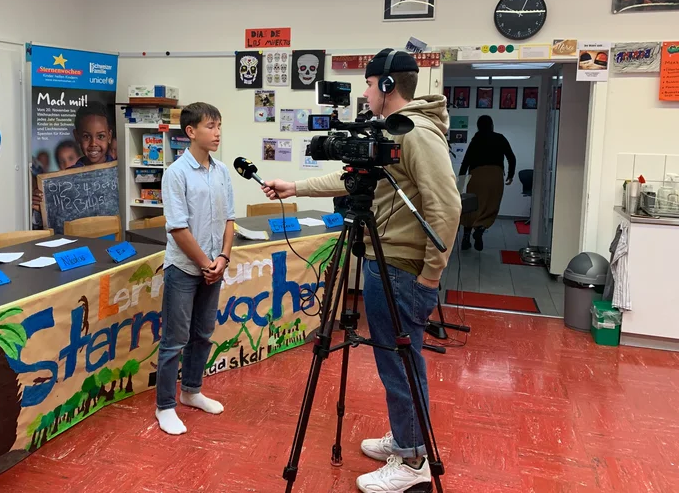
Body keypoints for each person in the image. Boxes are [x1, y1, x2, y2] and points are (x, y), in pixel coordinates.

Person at [261, 49, 461, 492]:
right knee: (396, 359)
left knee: (400, 362)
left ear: (387, 86)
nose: (365, 92)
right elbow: (356, 180)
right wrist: (296, 186)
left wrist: (431, 275)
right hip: (387, 264)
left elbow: (446, 208)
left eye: (369, 84)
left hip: (403, 270)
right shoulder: (393, 132)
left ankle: (412, 463)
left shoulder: (416, 134)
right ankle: (408, 438)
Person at [155, 102, 235, 436]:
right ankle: (165, 406)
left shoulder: (221, 171)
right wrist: (206, 264)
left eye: (219, 126)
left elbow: (230, 218)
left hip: (213, 268)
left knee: (202, 335)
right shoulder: (176, 173)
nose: (217, 133)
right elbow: (178, 228)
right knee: (174, 341)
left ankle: (191, 390)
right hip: (185, 269)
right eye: (211, 126)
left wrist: (223, 259)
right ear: (191, 131)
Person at [459, 115, 516, 251]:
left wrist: (460, 182)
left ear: (479, 126)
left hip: (477, 176)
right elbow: (511, 158)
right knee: (490, 206)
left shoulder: (476, 140)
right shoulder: (500, 138)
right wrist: (510, 175)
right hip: (495, 176)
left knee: (471, 206)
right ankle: (481, 228)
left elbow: (466, 161)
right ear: (491, 125)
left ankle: (466, 239)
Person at [70, 101, 114, 168]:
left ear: (109, 136)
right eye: (86, 136)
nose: (93, 144)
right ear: (77, 136)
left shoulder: (119, 169)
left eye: (100, 136)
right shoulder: (68, 175)